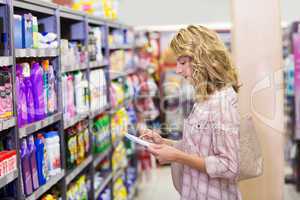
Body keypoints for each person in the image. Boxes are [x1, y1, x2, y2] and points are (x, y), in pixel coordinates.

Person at [139, 25, 241, 200]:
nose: (178, 70)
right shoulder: (205, 97)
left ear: (204, 59)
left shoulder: (221, 102)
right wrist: (165, 142)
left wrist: (177, 157)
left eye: (183, 63)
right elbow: (198, 148)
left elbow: (229, 166)